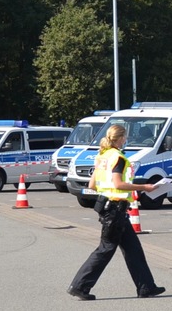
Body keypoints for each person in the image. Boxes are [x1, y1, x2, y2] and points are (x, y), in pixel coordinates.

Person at [68, 124, 165, 300]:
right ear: (120, 138)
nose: (126, 140)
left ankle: (146, 287)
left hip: (109, 207)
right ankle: (80, 286)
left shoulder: (102, 156)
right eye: (125, 137)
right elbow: (119, 184)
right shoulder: (118, 158)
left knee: (133, 249)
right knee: (105, 249)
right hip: (114, 209)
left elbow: (92, 185)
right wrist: (145, 187)